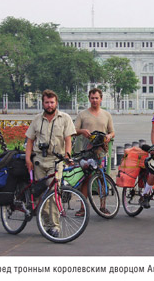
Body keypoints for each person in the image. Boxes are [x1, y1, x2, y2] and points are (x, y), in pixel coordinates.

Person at [25, 89, 76, 237]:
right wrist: (28, 159)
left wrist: (67, 156)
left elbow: (68, 140)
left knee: (53, 193)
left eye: (52, 102)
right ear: (42, 103)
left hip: (56, 161)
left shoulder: (64, 118)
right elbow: (30, 140)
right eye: (46, 102)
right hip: (39, 161)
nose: (49, 105)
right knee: (41, 194)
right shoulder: (37, 119)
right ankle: (45, 222)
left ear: (56, 103)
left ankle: (54, 226)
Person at [74, 88, 115, 216]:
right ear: (89, 99)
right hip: (86, 152)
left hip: (101, 151)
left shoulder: (106, 115)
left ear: (101, 99)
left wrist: (109, 136)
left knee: (102, 178)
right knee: (85, 179)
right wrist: (82, 131)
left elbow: (112, 131)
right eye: (92, 98)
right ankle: (83, 207)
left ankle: (103, 206)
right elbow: (74, 130)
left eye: (97, 98)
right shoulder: (82, 114)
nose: (94, 100)